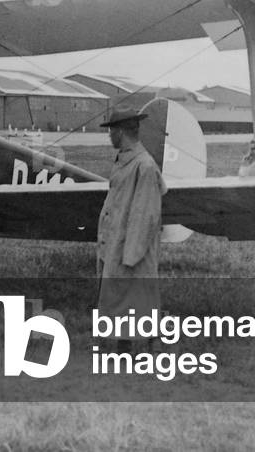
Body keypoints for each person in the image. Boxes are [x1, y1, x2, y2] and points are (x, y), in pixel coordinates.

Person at [97, 106, 167, 352]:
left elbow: (145, 214)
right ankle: (124, 346)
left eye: (111, 131)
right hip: (117, 240)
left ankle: (152, 345)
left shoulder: (144, 166)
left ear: (121, 132)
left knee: (140, 294)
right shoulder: (124, 161)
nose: (109, 136)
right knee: (122, 297)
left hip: (132, 245)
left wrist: (131, 253)